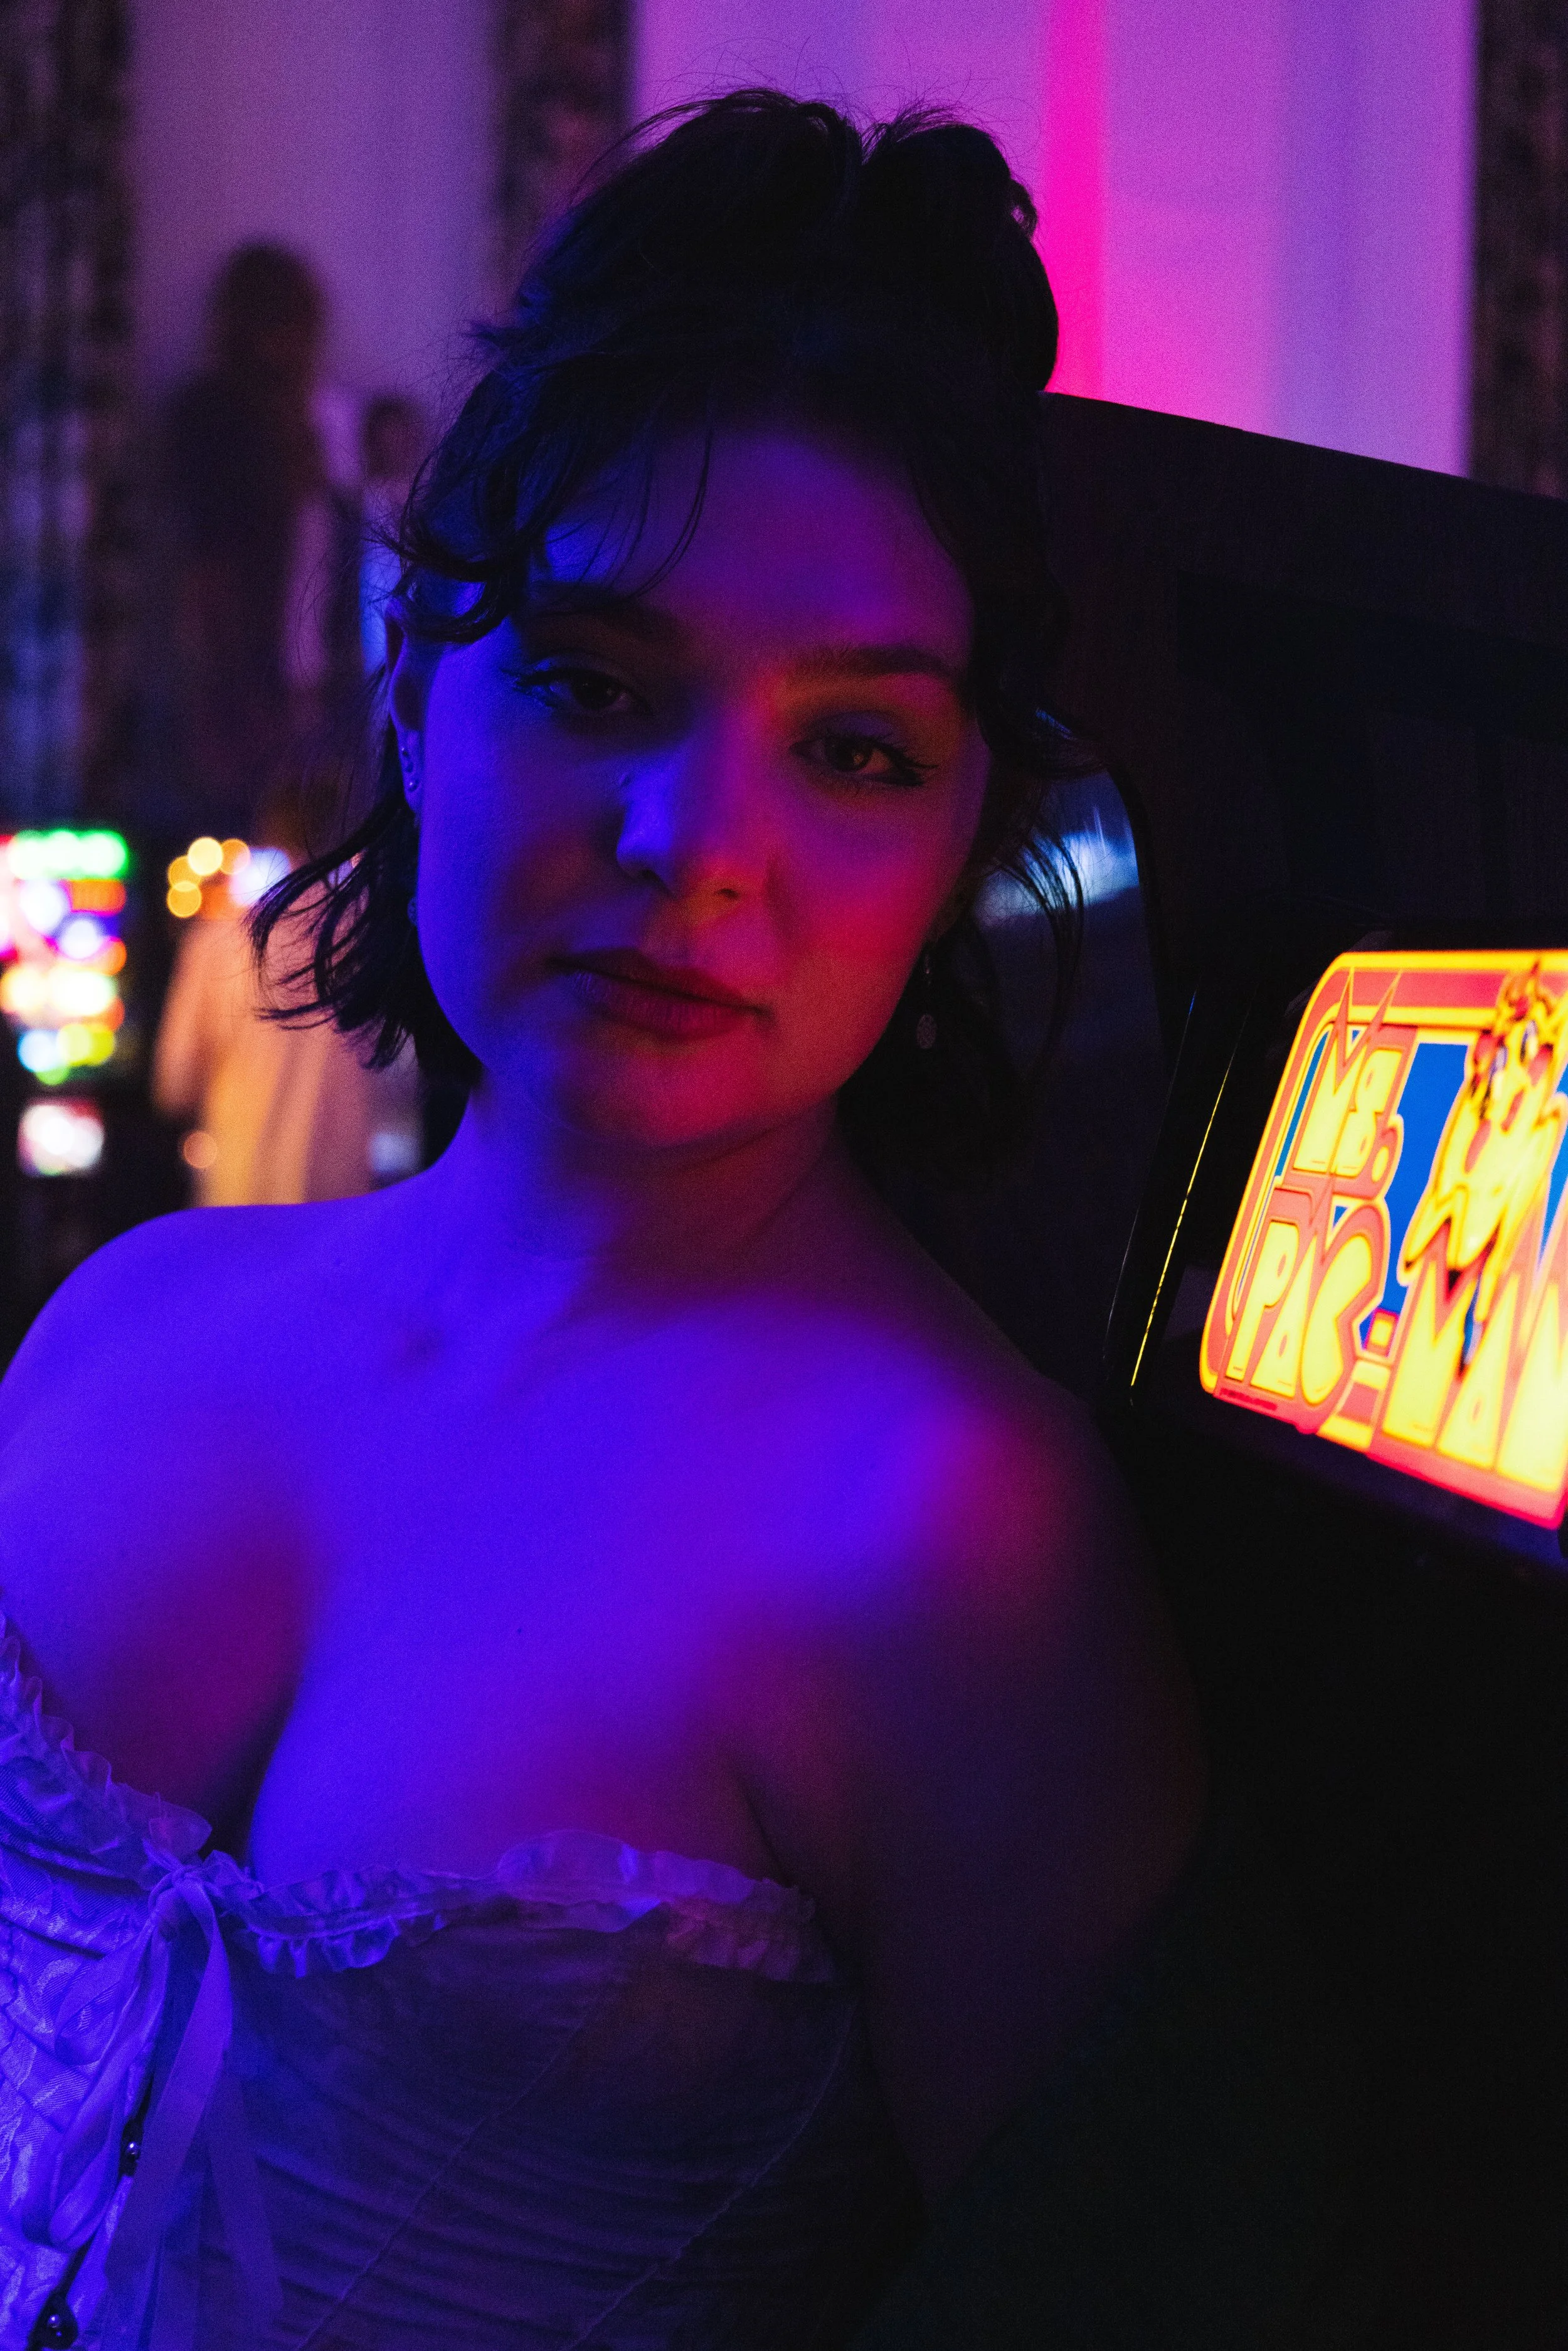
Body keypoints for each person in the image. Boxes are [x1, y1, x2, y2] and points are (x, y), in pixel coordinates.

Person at [0, 94, 1204, 2347]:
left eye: (853, 746)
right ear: (419, 687)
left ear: (964, 835)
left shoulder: (947, 1531)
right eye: (594, 679)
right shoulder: (128, 1317)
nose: (693, 838)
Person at [162, 244, 362, 841]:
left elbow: (334, 558)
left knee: (305, 857)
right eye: (278, 321)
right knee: (232, 857)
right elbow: (208, 570)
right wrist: (226, 694)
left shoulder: (324, 418)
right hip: (246, 686)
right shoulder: (211, 417)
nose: (294, 341)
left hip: (315, 678)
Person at [151, 777, 421, 1207]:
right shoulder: (376, 944)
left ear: (270, 835)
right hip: (341, 1206)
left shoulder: (217, 945)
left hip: (238, 1201)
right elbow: (404, 1082)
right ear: (346, 833)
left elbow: (176, 1084)